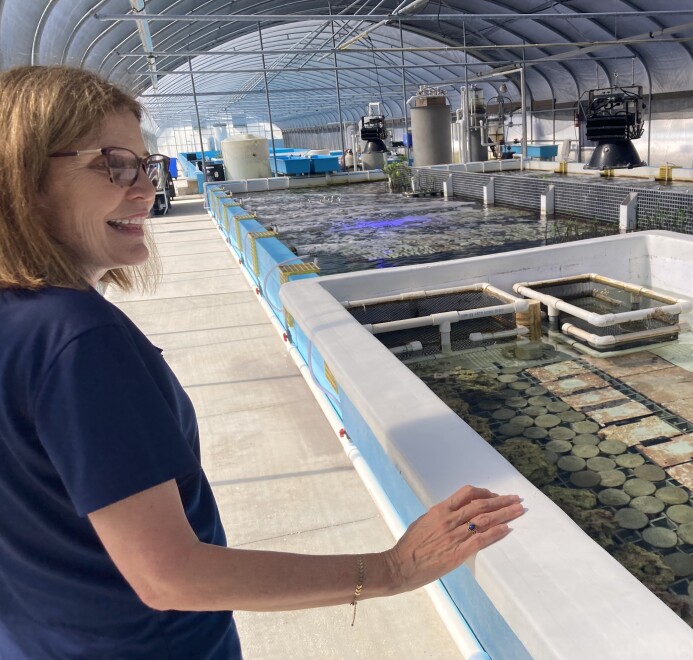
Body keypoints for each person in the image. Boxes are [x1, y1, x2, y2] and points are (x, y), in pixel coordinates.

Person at [0, 65, 524, 658]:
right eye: (115, 164)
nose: (145, 188)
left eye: (148, 166)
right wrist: (391, 569)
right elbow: (170, 575)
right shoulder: (77, 340)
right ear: (23, 176)